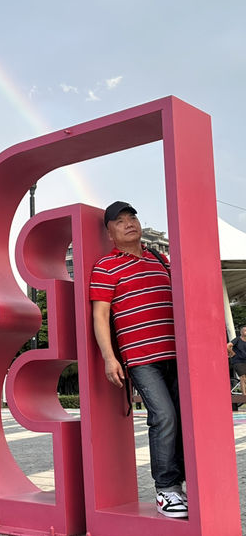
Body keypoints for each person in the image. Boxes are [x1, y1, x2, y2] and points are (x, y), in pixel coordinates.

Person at [90, 201, 187, 519]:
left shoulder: (161, 258)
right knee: (164, 417)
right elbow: (100, 316)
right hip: (141, 358)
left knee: (184, 417)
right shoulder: (106, 266)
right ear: (110, 232)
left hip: (178, 354)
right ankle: (167, 490)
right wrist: (109, 357)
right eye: (120, 221)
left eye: (133, 217)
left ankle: (186, 483)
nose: (129, 223)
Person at [228, 326, 246, 395]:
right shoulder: (237, 339)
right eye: (245, 330)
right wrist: (232, 353)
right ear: (241, 332)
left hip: (245, 361)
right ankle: (244, 396)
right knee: (243, 377)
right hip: (238, 361)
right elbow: (228, 346)